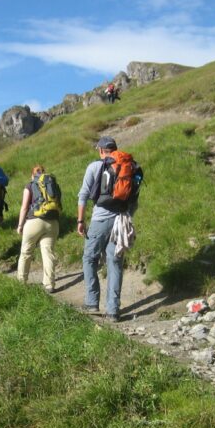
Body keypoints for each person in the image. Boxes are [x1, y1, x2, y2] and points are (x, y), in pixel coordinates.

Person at [77, 136, 133, 322]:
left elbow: (83, 195)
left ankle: (92, 303)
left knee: (89, 258)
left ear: (101, 150)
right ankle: (113, 311)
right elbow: (134, 198)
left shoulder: (95, 166)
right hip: (122, 220)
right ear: (115, 149)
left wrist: (80, 220)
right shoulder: (128, 166)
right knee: (115, 262)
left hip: (100, 220)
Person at [16, 165, 60, 293]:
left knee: (26, 252)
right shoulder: (54, 184)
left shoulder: (30, 185)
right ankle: (50, 285)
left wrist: (20, 225)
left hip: (34, 222)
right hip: (53, 222)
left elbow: (24, 207)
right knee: (48, 253)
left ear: (32, 175)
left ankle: (21, 282)